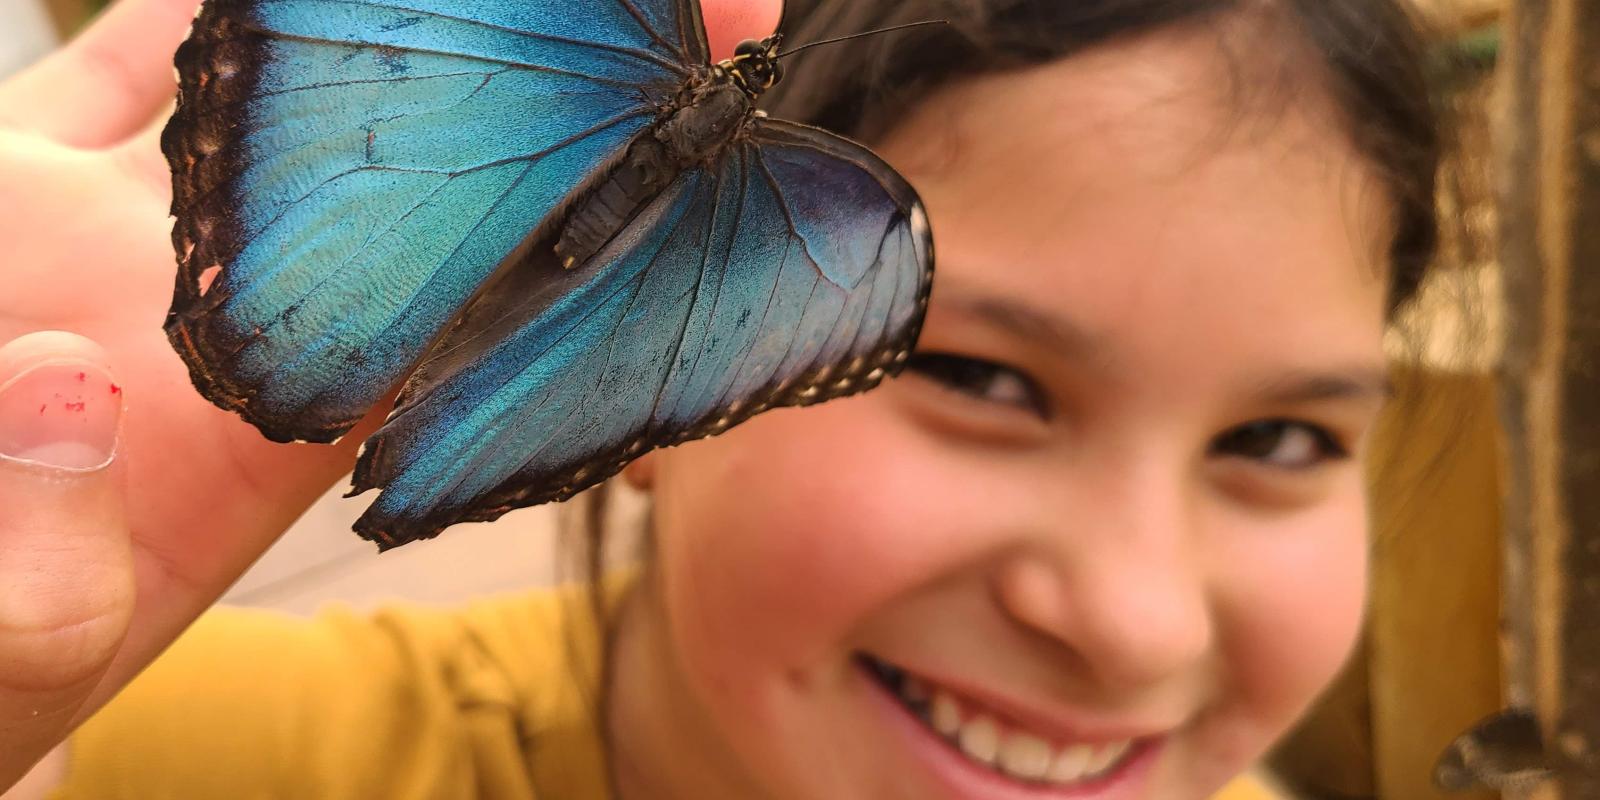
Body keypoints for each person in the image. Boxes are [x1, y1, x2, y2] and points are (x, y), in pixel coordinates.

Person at [0, 0, 1440, 797]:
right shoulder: (200, 756)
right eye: (980, 376)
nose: (1134, 622)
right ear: (667, 442)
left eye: (1278, 438)